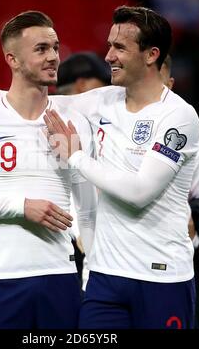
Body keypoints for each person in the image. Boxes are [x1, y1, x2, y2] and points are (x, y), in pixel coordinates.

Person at [0, 6, 199, 329]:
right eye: (109, 45)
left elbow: (140, 192)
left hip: (161, 276)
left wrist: (75, 157)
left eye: (119, 48)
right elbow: (28, 97)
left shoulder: (179, 117)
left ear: (150, 55)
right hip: (104, 281)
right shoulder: (103, 102)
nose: (108, 56)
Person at [0, 11, 97, 329]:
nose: (53, 57)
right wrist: (22, 207)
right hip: (1, 281)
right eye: (41, 49)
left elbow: (88, 208)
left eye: (55, 47)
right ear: (12, 58)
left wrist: (91, 275)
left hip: (61, 279)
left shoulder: (74, 118)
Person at [161, 55, 199, 328]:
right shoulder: (106, 139)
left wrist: (194, 225)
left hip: (177, 273)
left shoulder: (194, 145)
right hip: (113, 274)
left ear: (170, 84)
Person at [56, 52, 110, 289]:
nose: (108, 92)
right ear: (82, 85)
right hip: (77, 247)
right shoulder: (68, 125)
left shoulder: (44, 119)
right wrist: (80, 230)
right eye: (103, 85)